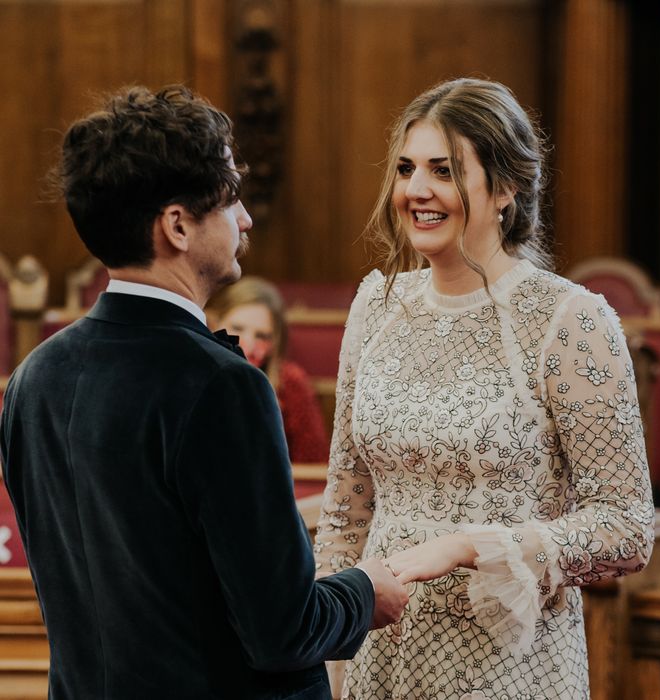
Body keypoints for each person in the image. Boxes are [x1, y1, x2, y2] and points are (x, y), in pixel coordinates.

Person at [0, 85, 408, 700]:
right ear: (179, 225)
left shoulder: (33, 376)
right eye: (231, 200)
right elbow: (283, 632)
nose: (245, 219)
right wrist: (364, 590)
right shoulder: (220, 386)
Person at [314, 77, 654, 699]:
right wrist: (325, 654)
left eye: (443, 171)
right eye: (406, 169)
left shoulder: (568, 320)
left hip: (509, 661)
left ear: (505, 188)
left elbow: (626, 528)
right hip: (380, 654)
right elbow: (346, 506)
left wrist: (477, 545)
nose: (416, 191)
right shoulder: (377, 303)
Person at [207, 276, 329, 463]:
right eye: (237, 328)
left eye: (262, 335)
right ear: (216, 324)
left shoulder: (290, 383)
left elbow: (313, 461)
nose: (246, 342)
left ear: (275, 342)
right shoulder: (198, 374)